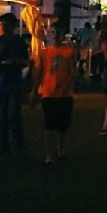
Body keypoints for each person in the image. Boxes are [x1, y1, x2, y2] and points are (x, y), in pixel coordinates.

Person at [0, 13, 30, 156]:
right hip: (0, 83)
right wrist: (2, 63)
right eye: (2, 25)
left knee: (13, 115)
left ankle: (17, 144)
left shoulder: (19, 42)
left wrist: (15, 62)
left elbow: (26, 61)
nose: (4, 27)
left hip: (13, 83)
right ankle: (4, 146)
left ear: (12, 26)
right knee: (1, 116)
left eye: (6, 24)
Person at [35, 31, 77, 164]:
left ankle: (60, 148)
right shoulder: (44, 52)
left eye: (58, 34)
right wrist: (35, 88)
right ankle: (49, 154)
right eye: (53, 34)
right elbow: (40, 70)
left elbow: (73, 70)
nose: (55, 37)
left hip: (64, 93)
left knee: (63, 125)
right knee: (49, 125)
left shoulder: (69, 52)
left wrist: (67, 84)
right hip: (48, 92)